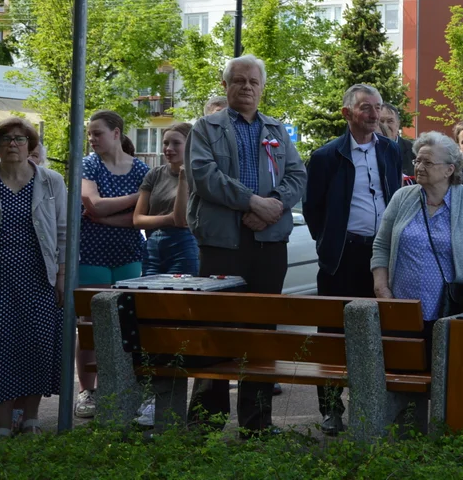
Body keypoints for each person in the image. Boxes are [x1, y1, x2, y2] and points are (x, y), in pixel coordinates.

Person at [184, 54, 306, 436]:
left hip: (269, 243)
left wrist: (274, 205)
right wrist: (252, 202)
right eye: (239, 81)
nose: (247, 87)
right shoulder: (205, 127)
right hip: (223, 244)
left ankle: (256, 423)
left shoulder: (277, 129)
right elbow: (204, 176)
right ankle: (206, 422)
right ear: (225, 86)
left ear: (262, 87)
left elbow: (298, 174)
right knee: (216, 329)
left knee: (261, 332)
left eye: (254, 82)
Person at [304, 83, 402, 435]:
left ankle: (377, 406)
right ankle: (331, 410)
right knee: (332, 334)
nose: (375, 114)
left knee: (383, 332)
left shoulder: (391, 150)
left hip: (383, 257)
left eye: (377, 107)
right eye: (366, 108)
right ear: (347, 113)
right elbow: (313, 210)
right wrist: (330, 243)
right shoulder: (326, 157)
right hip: (343, 257)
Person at [0, 118, 66, 436]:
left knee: (36, 344)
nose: (13, 143)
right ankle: (0, 422)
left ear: (31, 145)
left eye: (20, 138)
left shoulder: (52, 181)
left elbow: (64, 232)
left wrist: (62, 274)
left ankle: (31, 418)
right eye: (6, 138)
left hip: (39, 277)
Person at [371, 132, 463, 355]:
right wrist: (381, 287)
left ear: (450, 169)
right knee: (404, 371)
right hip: (402, 308)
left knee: (445, 373)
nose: (419, 166)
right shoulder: (402, 197)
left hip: (449, 308)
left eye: (427, 162)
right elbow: (381, 245)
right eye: (417, 160)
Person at [75, 109, 150, 419]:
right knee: (90, 323)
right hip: (92, 253)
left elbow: (141, 218)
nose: (91, 139)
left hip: (129, 254)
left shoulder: (142, 168)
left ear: (117, 133)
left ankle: (125, 389)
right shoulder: (88, 164)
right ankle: (87, 391)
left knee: (128, 325)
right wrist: (135, 199)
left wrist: (109, 216)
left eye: (97, 133)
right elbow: (92, 204)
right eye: (90, 134)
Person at [134, 123, 197, 276]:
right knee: (151, 296)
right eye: (165, 143)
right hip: (152, 247)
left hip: (184, 246)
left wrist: (183, 179)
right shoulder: (155, 174)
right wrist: (169, 219)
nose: (169, 148)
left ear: (190, 145)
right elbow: (137, 220)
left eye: (176, 143)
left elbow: (181, 219)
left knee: (179, 297)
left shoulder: (198, 175)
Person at [379, 101, 416, 175]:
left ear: (398, 124)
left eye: (390, 121)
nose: (385, 126)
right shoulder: (366, 149)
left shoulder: (413, 150)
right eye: (381, 121)